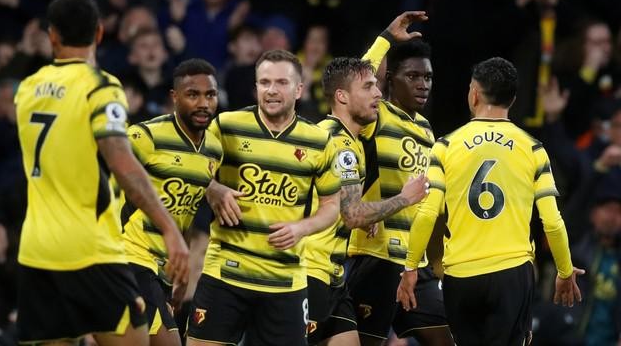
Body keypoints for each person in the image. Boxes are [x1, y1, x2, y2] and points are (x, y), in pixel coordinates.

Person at [14, 0, 189, 345]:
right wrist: (170, 228)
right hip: (90, 248)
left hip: (37, 249)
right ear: (99, 33)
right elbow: (123, 164)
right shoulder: (101, 87)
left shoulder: (27, 89)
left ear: (52, 35)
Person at [396, 57, 585, 346]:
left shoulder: (445, 146)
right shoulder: (533, 148)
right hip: (512, 272)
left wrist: (410, 268)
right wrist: (564, 270)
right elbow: (552, 222)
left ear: (474, 94)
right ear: (513, 99)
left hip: (460, 275)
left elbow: (427, 212)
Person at [186, 49, 341, 346]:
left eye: (281, 82)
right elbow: (190, 168)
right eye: (265, 82)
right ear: (255, 87)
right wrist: (214, 189)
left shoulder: (320, 142)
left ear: (298, 89)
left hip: (285, 283)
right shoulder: (225, 126)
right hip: (225, 275)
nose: (271, 90)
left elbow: (332, 207)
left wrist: (301, 228)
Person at [345, 12, 454, 346]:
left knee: (452, 337)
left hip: (414, 265)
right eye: (413, 76)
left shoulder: (425, 128)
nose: (423, 84)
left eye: (428, 77)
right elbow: (355, 81)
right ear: (390, 79)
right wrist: (386, 38)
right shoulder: (376, 115)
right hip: (376, 258)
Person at [305, 57, 429, 346]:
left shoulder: (352, 142)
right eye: (369, 87)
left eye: (377, 86)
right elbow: (353, 215)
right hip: (309, 272)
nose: (377, 94)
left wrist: (367, 216)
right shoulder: (337, 143)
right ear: (342, 96)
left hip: (333, 276)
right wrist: (403, 198)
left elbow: (344, 207)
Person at [121, 58, 222, 346]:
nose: (203, 103)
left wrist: (181, 272)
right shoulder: (145, 137)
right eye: (193, 95)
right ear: (174, 98)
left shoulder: (213, 150)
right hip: (130, 257)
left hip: (162, 269)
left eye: (210, 95)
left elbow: (186, 214)